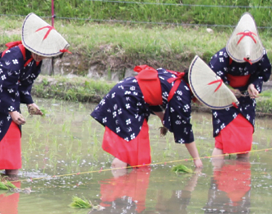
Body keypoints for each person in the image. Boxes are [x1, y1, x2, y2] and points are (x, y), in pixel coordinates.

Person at [0, 12, 70, 179]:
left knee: (11, 154)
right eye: (41, 52)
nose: (42, 56)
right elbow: (1, 87)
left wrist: (29, 103)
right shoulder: (13, 55)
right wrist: (12, 111)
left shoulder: (36, 60)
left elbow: (25, 84)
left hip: (10, 104)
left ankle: (9, 196)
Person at [91, 56, 238, 169]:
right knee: (128, 151)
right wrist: (196, 159)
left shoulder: (177, 79)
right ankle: (118, 193)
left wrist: (163, 118)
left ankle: (130, 193)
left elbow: (152, 93)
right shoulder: (182, 97)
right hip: (126, 101)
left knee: (138, 152)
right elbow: (184, 129)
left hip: (129, 98)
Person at [209, 12, 271, 160]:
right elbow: (211, 80)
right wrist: (229, 90)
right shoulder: (221, 57)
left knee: (244, 144)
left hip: (246, 101)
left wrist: (253, 85)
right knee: (221, 143)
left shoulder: (260, 56)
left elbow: (262, 75)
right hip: (224, 100)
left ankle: (242, 180)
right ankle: (217, 179)